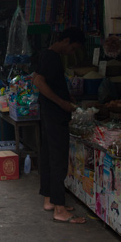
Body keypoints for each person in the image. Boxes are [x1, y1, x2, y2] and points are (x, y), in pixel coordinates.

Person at [32, 27, 87, 224]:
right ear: (66, 41)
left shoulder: (47, 55)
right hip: (55, 116)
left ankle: (49, 199)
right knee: (58, 160)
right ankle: (60, 209)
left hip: (49, 115)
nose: (72, 52)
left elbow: (38, 78)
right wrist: (61, 102)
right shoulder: (52, 57)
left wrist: (64, 96)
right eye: (73, 48)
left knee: (48, 157)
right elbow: (38, 81)